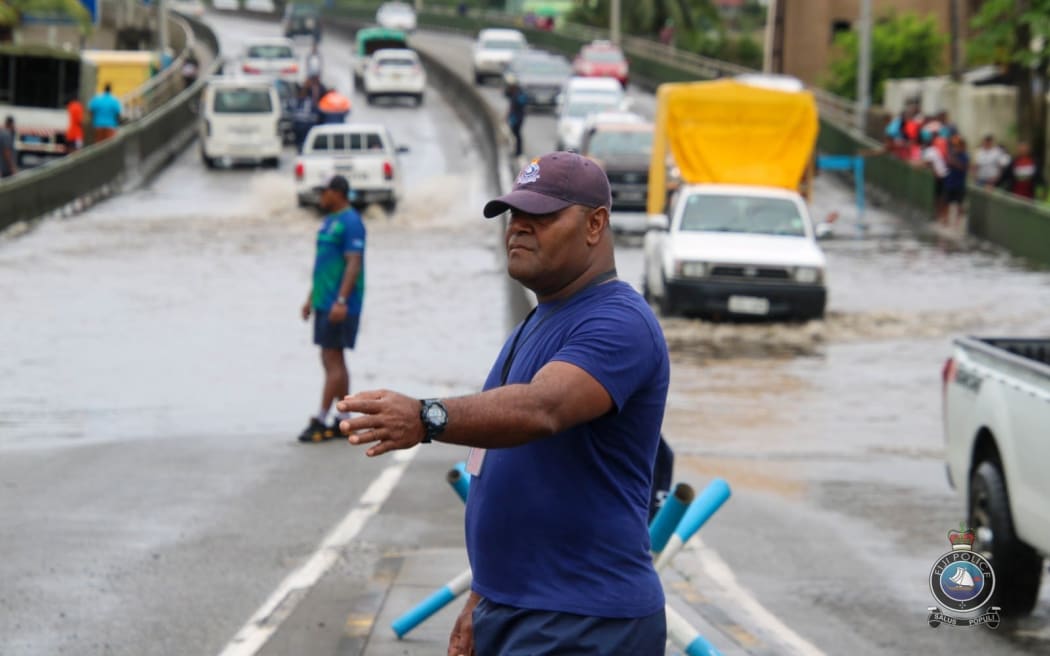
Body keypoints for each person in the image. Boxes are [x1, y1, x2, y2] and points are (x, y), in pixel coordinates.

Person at [337, 151, 670, 655]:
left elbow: (542, 410)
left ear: (595, 223)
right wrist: (481, 598)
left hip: (584, 619)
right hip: (517, 608)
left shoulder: (619, 322)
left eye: (542, 216)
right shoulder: (534, 325)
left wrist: (426, 417)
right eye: (515, 214)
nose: (519, 228)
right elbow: (494, 457)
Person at [298, 175, 367, 443]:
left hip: (341, 303)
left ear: (338, 193)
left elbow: (353, 264)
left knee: (332, 358)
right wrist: (310, 299)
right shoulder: (328, 221)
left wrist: (341, 301)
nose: (321, 197)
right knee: (332, 358)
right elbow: (322, 264)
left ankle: (322, 417)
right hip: (324, 301)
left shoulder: (352, 222)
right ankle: (343, 417)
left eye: (324, 192)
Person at [920, 132, 949, 221]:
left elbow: (927, 164)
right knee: (938, 197)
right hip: (941, 174)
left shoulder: (930, 151)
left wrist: (916, 165)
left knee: (940, 197)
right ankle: (939, 215)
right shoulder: (933, 150)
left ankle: (941, 215)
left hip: (941, 176)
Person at [944, 135, 969, 227]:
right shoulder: (952, 154)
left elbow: (964, 168)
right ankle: (946, 220)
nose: (956, 147)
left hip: (959, 184)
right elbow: (947, 163)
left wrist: (954, 162)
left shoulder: (965, 156)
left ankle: (957, 223)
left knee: (959, 204)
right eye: (955, 146)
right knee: (946, 202)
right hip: (950, 182)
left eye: (958, 146)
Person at [505, 78, 528, 157]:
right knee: (514, 134)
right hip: (515, 117)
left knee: (517, 134)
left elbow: (520, 104)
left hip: (518, 117)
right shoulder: (513, 94)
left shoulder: (519, 94)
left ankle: (519, 151)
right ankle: (517, 150)